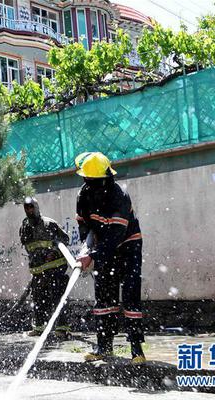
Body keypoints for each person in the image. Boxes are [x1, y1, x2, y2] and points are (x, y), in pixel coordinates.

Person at [74, 152, 146, 365]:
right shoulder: (84, 195)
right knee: (104, 297)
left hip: (128, 246)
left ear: (106, 178)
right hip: (103, 248)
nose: (89, 184)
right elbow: (84, 227)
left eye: (94, 180)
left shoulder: (119, 195)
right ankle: (104, 347)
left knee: (131, 295)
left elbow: (116, 234)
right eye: (87, 180)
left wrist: (93, 254)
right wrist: (85, 250)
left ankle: (136, 349)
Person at [19, 197, 71, 338]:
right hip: (38, 271)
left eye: (31, 207)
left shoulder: (49, 224)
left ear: (36, 207)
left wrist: (53, 252)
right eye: (26, 208)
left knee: (58, 298)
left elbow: (65, 240)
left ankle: (62, 329)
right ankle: (40, 327)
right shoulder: (25, 227)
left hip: (56, 268)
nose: (29, 210)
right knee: (38, 299)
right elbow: (28, 246)